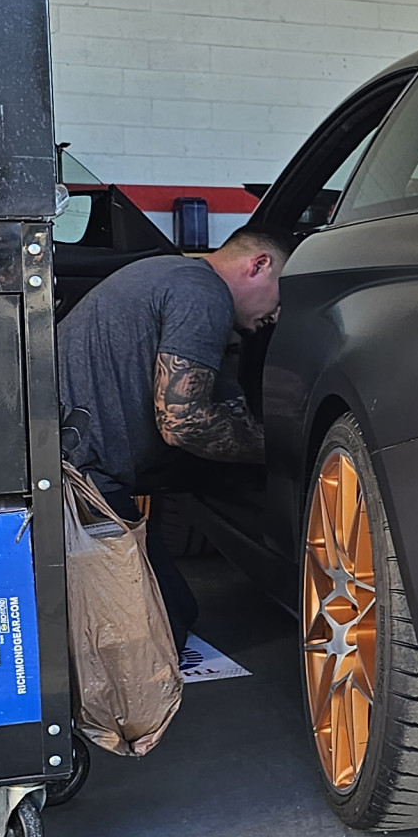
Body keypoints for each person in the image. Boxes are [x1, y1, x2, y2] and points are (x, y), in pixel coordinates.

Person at [57, 225, 292, 645]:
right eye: (280, 298)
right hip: (81, 482)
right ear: (259, 265)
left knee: (180, 610)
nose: (275, 317)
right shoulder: (204, 294)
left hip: (67, 459)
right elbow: (183, 423)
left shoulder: (169, 274)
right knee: (165, 632)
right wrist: (284, 450)